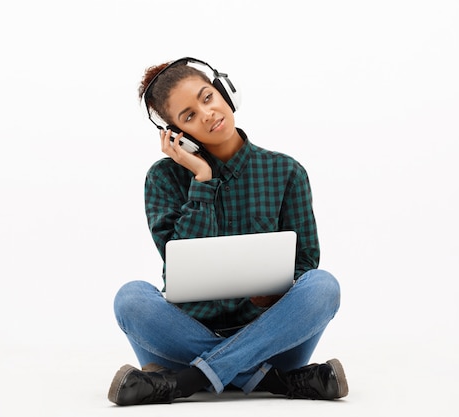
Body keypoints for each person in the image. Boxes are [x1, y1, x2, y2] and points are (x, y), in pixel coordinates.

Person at [108, 57, 348, 405]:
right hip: (184, 340)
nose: (206, 114)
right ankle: (276, 383)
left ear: (225, 92)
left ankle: (184, 383)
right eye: (188, 116)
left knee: (324, 287)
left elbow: (306, 261)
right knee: (130, 298)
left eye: (207, 98)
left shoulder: (286, 171)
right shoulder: (163, 178)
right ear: (175, 133)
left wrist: (273, 293)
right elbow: (177, 256)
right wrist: (202, 181)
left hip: (273, 339)